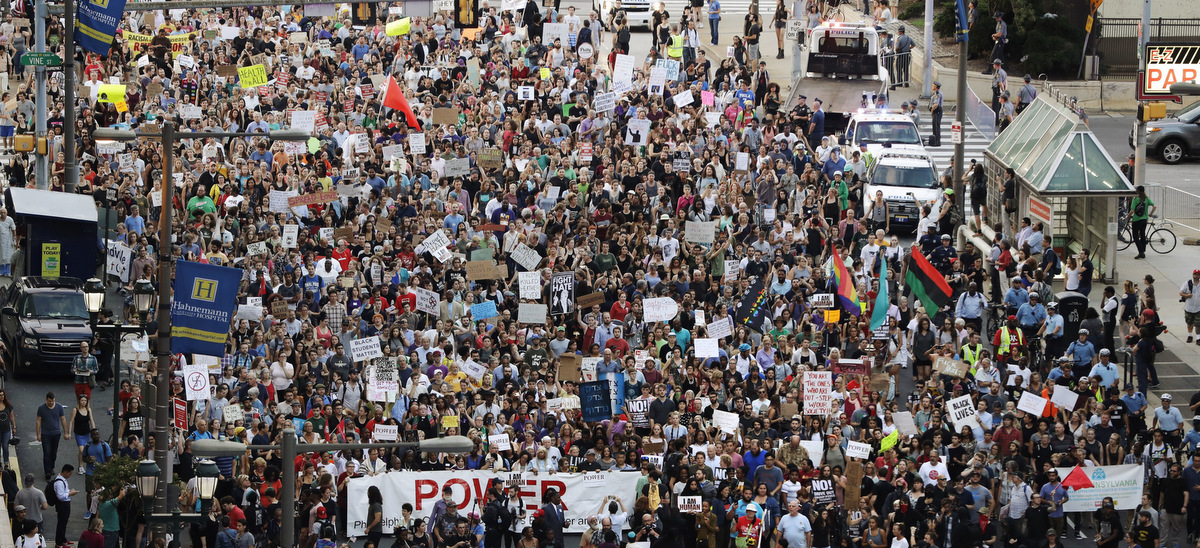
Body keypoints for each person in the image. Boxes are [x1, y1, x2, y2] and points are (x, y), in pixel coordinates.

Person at [35, 393, 67, 482]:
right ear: (46, 400)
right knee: (47, 452)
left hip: (56, 434)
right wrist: (38, 434)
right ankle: (47, 472)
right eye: (49, 401)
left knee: (53, 452)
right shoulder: (41, 408)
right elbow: (38, 421)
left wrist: (66, 432)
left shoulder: (59, 407)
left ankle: (51, 466)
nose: (51, 403)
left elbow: (63, 419)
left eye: (52, 401)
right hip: (45, 434)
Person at [51, 465, 78, 548]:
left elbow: (63, 491)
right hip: (62, 505)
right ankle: (59, 543)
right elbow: (60, 496)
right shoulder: (59, 482)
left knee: (64, 523)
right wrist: (70, 493)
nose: (70, 475)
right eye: (69, 474)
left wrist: (69, 491)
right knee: (61, 524)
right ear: (65, 472)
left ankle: (62, 539)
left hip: (65, 504)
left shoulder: (63, 480)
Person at [1129, 185, 1157, 259]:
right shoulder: (1146, 199)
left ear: (1137, 191)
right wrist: (1150, 213)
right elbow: (1155, 206)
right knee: (1142, 234)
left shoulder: (1135, 199)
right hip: (1144, 219)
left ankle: (1141, 252)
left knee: (1135, 236)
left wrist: (1128, 216)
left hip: (1136, 220)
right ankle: (1143, 251)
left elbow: (1132, 211)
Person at [929, 82, 943, 147]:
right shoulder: (936, 93)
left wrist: (932, 110)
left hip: (936, 111)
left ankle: (937, 141)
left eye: (933, 86)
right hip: (936, 111)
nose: (932, 87)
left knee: (936, 127)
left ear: (936, 87)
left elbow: (936, 104)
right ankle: (936, 140)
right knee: (935, 126)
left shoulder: (937, 94)